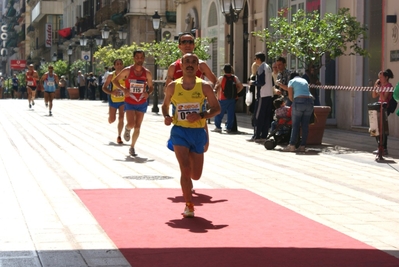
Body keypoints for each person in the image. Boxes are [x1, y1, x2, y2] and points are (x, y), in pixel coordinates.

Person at [162, 53, 221, 218]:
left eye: (193, 62)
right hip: (179, 131)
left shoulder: (204, 87)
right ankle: (189, 205)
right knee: (185, 169)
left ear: (197, 67)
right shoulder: (173, 86)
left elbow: (216, 109)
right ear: (181, 66)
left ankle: (190, 191)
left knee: (196, 174)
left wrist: (201, 116)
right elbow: (165, 106)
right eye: (186, 62)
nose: (190, 64)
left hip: (197, 132)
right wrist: (166, 116)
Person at [164, 32, 217, 151]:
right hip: (179, 104)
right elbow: (167, 86)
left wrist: (210, 95)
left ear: (194, 45)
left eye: (190, 42)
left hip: (198, 105)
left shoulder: (201, 65)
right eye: (184, 42)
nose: (187, 44)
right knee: (182, 141)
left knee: (204, 147)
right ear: (179, 46)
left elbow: (215, 81)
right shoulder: (173, 66)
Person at [112, 50, 154, 157]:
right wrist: (123, 89)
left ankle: (132, 147)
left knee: (138, 127)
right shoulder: (127, 71)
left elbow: (151, 87)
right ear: (134, 58)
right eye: (137, 57)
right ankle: (127, 129)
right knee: (131, 124)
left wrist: (147, 93)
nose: (139, 59)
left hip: (141, 101)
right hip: (130, 101)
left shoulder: (147, 73)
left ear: (143, 59)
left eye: (141, 57)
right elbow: (115, 81)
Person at [277, 72, 314, 152]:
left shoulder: (292, 81)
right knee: (305, 125)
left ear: (291, 78)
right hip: (310, 101)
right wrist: (281, 85)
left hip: (299, 101)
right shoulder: (304, 81)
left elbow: (290, 96)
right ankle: (302, 146)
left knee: (295, 125)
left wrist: (295, 102)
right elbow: (290, 88)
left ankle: (292, 145)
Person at [247, 52, 276, 142]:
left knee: (258, 116)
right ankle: (264, 135)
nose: (255, 61)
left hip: (262, 95)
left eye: (255, 59)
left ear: (259, 59)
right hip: (269, 95)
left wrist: (252, 83)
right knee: (266, 116)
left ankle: (257, 136)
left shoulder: (261, 68)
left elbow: (261, 82)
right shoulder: (268, 67)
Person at [212, 64, 244, 133]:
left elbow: (217, 86)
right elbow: (241, 86)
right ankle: (228, 128)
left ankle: (218, 127)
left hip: (223, 98)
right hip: (232, 98)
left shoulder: (221, 78)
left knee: (219, 112)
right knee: (230, 114)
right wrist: (236, 93)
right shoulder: (234, 77)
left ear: (224, 70)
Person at [371, 69, 394, 156]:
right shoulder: (380, 85)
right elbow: (374, 96)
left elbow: (384, 98)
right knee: (375, 128)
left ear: (386, 77)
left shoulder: (389, 86)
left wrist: (380, 91)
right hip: (377, 107)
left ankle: (384, 148)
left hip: (384, 108)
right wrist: (375, 86)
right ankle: (378, 146)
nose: (380, 79)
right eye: (379, 77)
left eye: (381, 77)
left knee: (383, 128)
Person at [102, 59, 125, 144]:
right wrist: (112, 92)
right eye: (117, 64)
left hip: (123, 100)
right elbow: (104, 88)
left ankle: (119, 136)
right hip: (113, 99)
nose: (119, 65)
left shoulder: (126, 75)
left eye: (120, 64)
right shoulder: (111, 76)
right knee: (112, 119)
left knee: (121, 118)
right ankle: (110, 116)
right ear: (114, 66)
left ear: (122, 65)